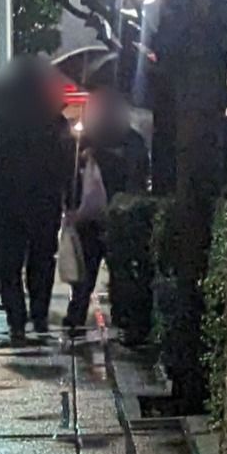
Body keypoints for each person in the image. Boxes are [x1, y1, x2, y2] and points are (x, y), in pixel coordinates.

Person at [0, 56, 75, 341]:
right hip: (44, 201)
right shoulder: (54, 122)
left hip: (5, 204)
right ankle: (39, 314)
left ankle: (16, 320)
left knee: (9, 264)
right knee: (42, 259)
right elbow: (67, 164)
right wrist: (69, 197)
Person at [63, 89, 149, 332]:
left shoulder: (94, 141)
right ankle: (96, 313)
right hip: (100, 215)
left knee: (106, 269)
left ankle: (88, 314)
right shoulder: (91, 140)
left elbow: (137, 172)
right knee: (93, 269)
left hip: (107, 215)